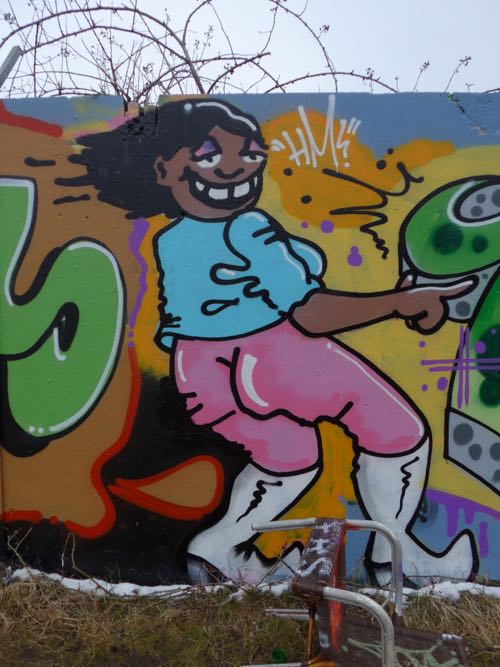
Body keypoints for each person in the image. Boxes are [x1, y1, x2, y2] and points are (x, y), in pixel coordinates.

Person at [70, 98, 476, 583]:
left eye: (249, 155)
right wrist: (399, 303)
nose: (235, 167)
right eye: (209, 154)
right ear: (164, 169)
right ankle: (395, 559)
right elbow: (310, 313)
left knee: (290, 456)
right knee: (396, 428)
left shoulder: (173, 236)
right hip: (268, 353)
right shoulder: (247, 228)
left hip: (200, 370)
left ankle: (217, 549)